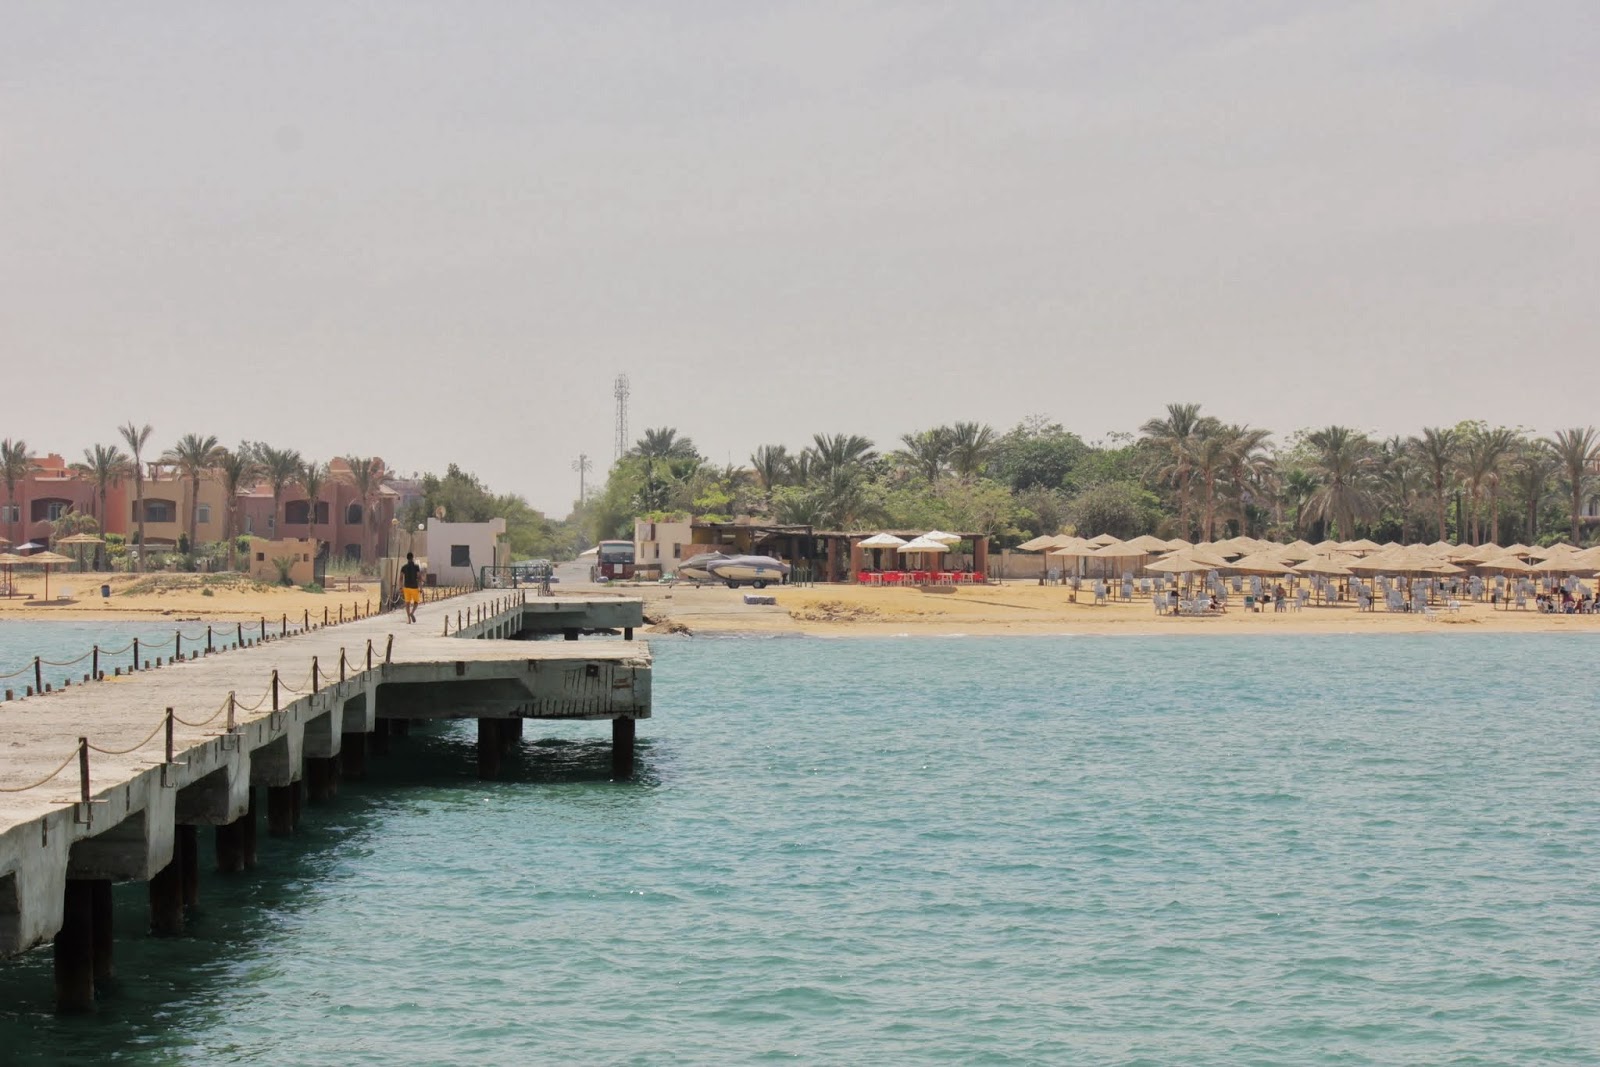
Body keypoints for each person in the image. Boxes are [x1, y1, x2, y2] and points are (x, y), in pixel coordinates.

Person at [401, 552, 422, 623]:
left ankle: (409, 619)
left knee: (407, 603)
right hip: (414, 587)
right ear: (412, 558)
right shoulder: (416, 567)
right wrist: (421, 587)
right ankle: (412, 613)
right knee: (416, 602)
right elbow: (419, 577)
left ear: (407, 558)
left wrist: (400, 587)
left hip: (406, 587)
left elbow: (400, 578)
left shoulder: (403, 567)